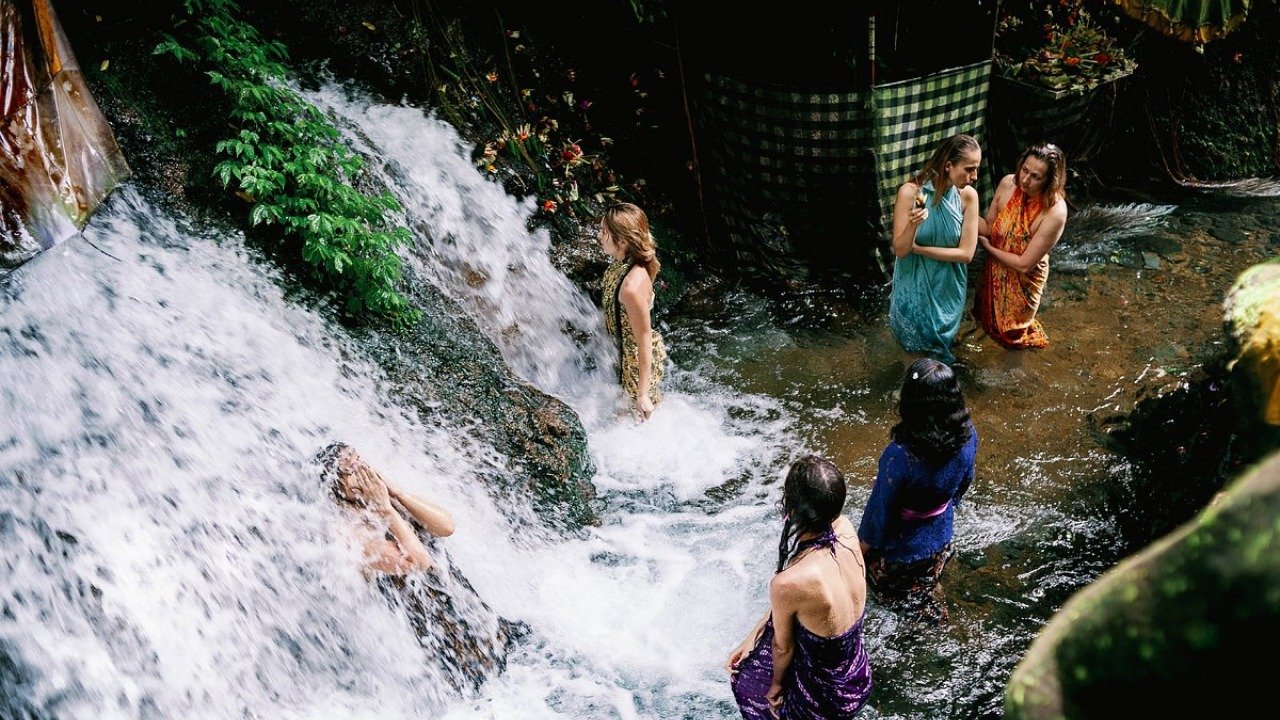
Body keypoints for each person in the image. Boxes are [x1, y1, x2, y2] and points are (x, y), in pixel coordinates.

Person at [727, 455, 873, 719]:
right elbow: (794, 602)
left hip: (822, 698)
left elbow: (783, 648)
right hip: (857, 676)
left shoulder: (790, 582)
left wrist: (776, 687)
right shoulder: (846, 530)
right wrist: (753, 635)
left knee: (747, 684)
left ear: (792, 510)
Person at [858, 358, 977, 624]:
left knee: (897, 604)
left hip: (901, 551)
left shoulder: (900, 455)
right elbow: (963, 483)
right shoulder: (968, 435)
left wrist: (857, 551)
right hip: (940, 534)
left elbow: (880, 514)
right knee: (925, 586)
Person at [888, 134, 983, 366]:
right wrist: (913, 225)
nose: (974, 176)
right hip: (913, 285)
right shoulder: (913, 193)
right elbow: (900, 250)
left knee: (939, 357)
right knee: (913, 356)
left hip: (947, 288)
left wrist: (921, 249)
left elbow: (966, 254)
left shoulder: (967, 197)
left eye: (976, 169)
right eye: (969, 169)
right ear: (948, 165)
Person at [972, 142, 1069, 349]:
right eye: (1025, 170)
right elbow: (988, 228)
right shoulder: (1008, 183)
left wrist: (987, 248)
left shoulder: (1055, 211)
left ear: (1050, 180)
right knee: (985, 320)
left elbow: (1024, 264)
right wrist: (961, 205)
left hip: (1024, 282)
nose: (1025, 180)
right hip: (994, 270)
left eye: (1036, 177)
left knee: (1013, 337)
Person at [322, 441, 456, 575]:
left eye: (359, 460)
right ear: (335, 485)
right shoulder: (349, 529)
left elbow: (447, 527)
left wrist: (397, 493)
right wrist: (385, 510)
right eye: (351, 469)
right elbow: (419, 563)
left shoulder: (382, 497)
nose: (363, 471)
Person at [599, 202, 667, 421]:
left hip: (636, 366)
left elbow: (644, 340)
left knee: (638, 422)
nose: (599, 236)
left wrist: (642, 394)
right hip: (622, 356)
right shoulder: (621, 266)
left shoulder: (631, 287)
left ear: (622, 242)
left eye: (604, 232)